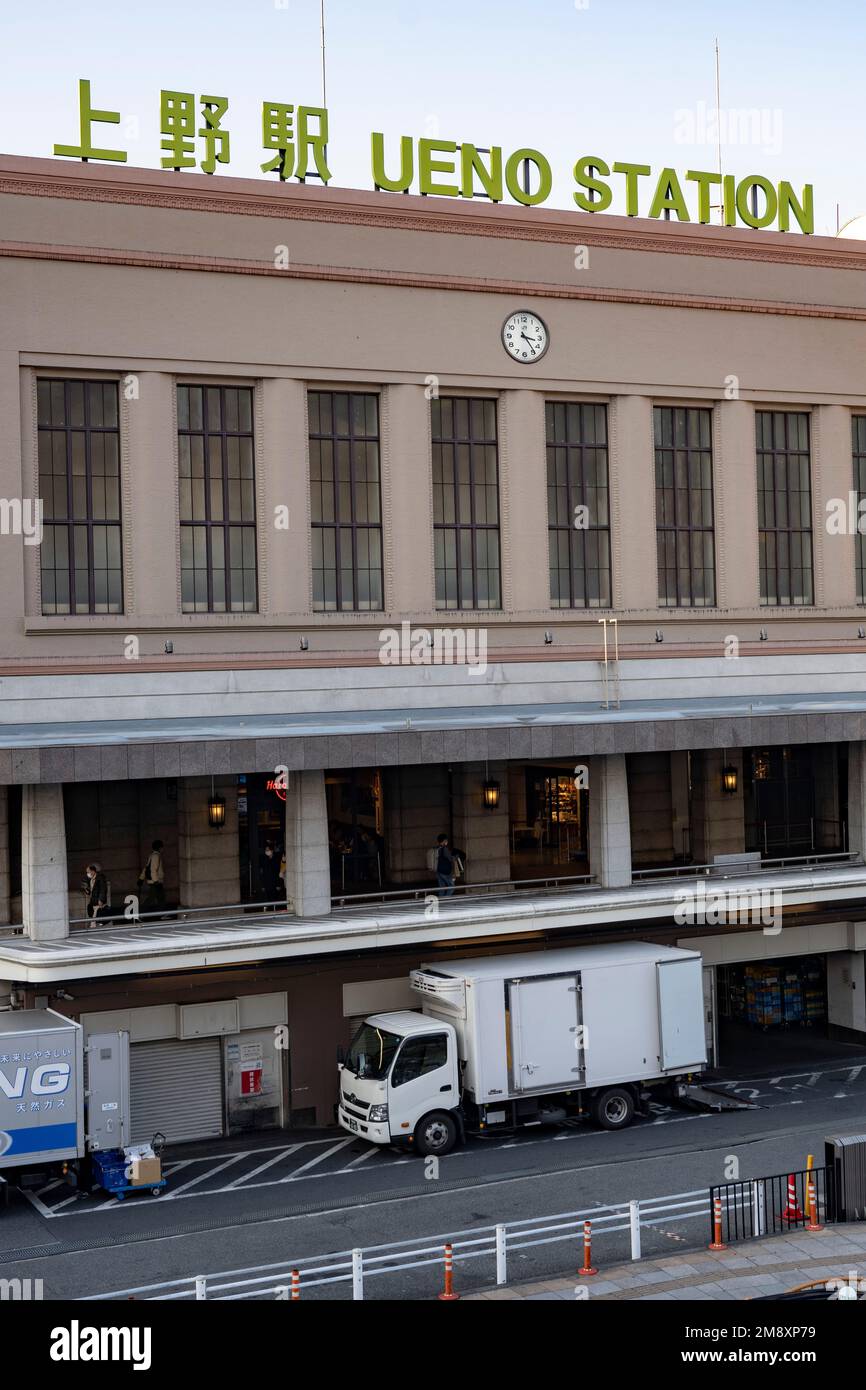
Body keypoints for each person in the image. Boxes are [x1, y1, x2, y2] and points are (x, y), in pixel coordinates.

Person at [138, 839, 165, 914]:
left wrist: (141, 878)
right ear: (159, 848)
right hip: (155, 882)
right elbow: (153, 869)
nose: (163, 849)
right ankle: (140, 913)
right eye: (162, 847)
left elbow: (146, 868)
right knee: (153, 898)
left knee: (160, 898)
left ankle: (161, 913)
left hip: (153, 881)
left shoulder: (152, 855)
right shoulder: (156, 856)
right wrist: (156, 881)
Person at [259, 839, 282, 910]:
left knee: (275, 898)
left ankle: (275, 910)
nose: (267, 851)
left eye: (268, 850)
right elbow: (263, 872)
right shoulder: (264, 859)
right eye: (266, 850)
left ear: (272, 850)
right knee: (268, 898)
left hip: (275, 882)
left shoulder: (276, 859)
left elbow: (279, 871)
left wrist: (278, 884)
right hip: (267, 883)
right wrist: (263, 885)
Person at [435, 833, 455, 897]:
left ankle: (441, 903)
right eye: (446, 840)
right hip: (445, 871)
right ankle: (445, 899)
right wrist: (456, 857)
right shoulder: (444, 849)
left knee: (442, 888)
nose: (447, 842)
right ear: (444, 841)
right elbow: (450, 859)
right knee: (452, 887)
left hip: (438, 871)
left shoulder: (436, 849)